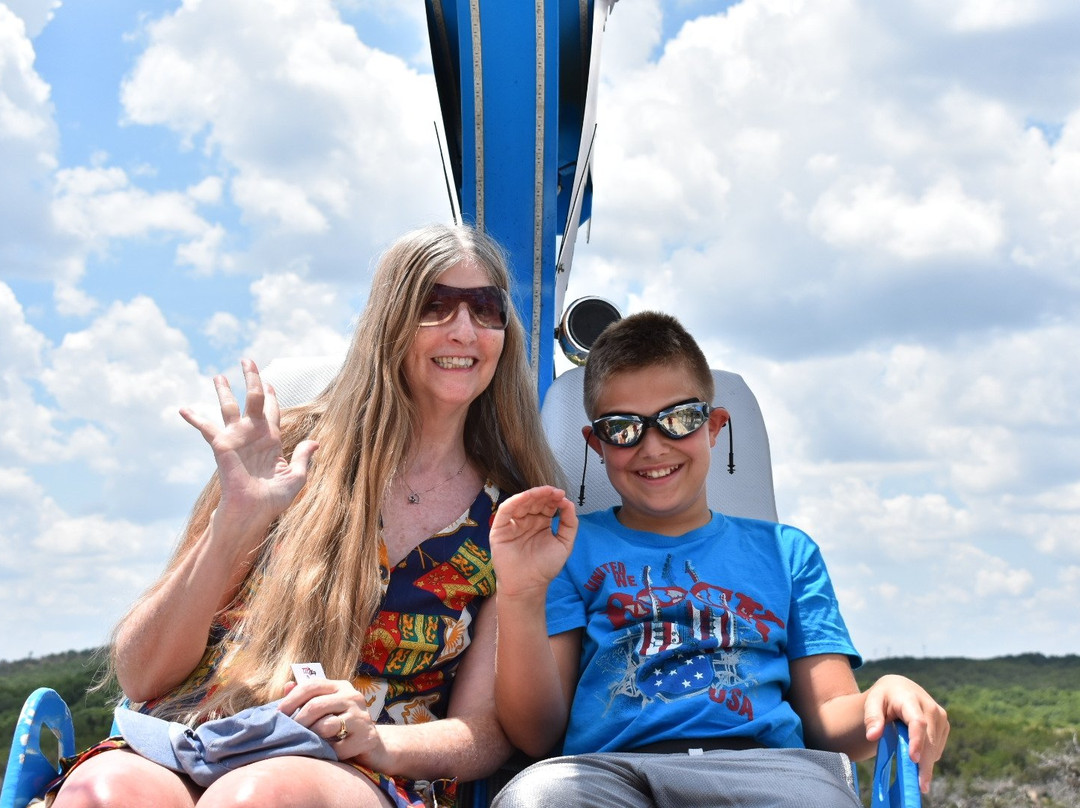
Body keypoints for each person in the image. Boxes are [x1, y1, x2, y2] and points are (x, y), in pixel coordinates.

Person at [49, 224, 563, 808]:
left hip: (354, 765)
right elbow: (142, 676)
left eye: (485, 308)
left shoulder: (508, 517)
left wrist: (379, 740)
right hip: (195, 732)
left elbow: (488, 733)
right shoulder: (285, 451)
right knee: (102, 792)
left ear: (504, 330)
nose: (463, 329)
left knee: (257, 799)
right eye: (434, 306)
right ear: (390, 323)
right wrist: (234, 522)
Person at [487, 311, 950, 807]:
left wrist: (886, 693)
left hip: (768, 773)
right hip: (614, 776)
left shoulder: (788, 554)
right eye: (623, 429)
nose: (654, 445)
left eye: (679, 419)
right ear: (596, 444)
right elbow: (535, 736)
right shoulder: (564, 550)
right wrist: (520, 593)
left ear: (714, 426)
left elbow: (832, 716)